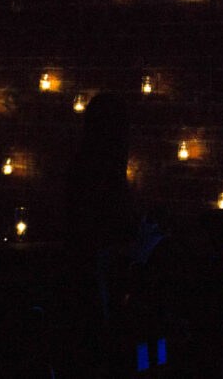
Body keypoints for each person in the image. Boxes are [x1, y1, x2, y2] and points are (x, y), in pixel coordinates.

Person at [63, 92, 138, 375]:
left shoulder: (86, 167)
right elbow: (103, 228)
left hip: (90, 270)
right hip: (96, 271)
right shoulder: (100, 173)